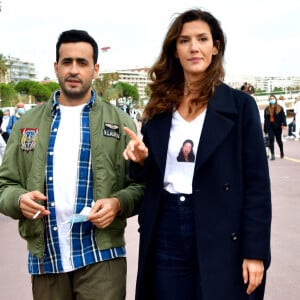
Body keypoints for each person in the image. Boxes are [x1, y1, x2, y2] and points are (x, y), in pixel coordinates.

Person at [123, 9, 271, 300]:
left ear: (215, 47)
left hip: (220, 228)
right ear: (174, 50)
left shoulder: (240, 106)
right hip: (165, 227)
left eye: (202, 39)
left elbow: (257, 186)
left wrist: (255, 252)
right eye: (184, 40)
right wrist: (140, 161)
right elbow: (152, 176)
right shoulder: (159, 106)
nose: (194, 47)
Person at [0, 29, 144, 300]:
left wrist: (117, 203)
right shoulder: (26, 124)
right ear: (56, 67)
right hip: (47, 257)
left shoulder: (120, 123)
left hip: (102, 253)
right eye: (67, 62)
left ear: (95, 68)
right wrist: (19, 200)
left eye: (82, 62)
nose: (74, 70)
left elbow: (140, 186)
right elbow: (4, 185)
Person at [263, 94, 287, 160]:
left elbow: (283, 116)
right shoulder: (267, 109)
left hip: (278, 127)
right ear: (269, 100)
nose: (272, 100)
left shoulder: (280, 108)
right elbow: (265, 119)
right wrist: (265, 129)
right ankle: (272, 154)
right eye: (270, 99)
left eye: (273, 99)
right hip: (270, 127)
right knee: (271, 140)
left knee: (279, 140)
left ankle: (281, 152)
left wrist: (284, 124)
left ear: (275, 100)